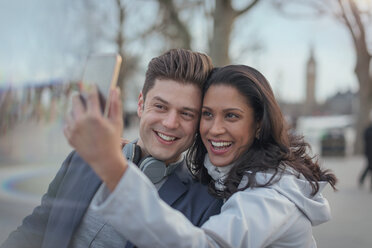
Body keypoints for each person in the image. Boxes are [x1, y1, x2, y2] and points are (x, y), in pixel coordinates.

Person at [65, 64, 338, 248]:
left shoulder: (273, 195)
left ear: (258, 125)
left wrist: (114, 170)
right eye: (207, 114)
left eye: (231, 115)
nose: (214, 128)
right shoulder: (227, 175)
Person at [1, 49, 223, 248]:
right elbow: (34, 229)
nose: (170, 123)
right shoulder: (81, 159)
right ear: (140, 104)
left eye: (186, 113)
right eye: (160, 106)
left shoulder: (206, 206)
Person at [359, 110, 372, 192]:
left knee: (369, 167)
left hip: (368, 151)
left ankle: (362, 179)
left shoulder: (367, 130)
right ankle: (362, 179)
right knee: (369, 166)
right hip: (369, 151)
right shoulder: (368, 130)